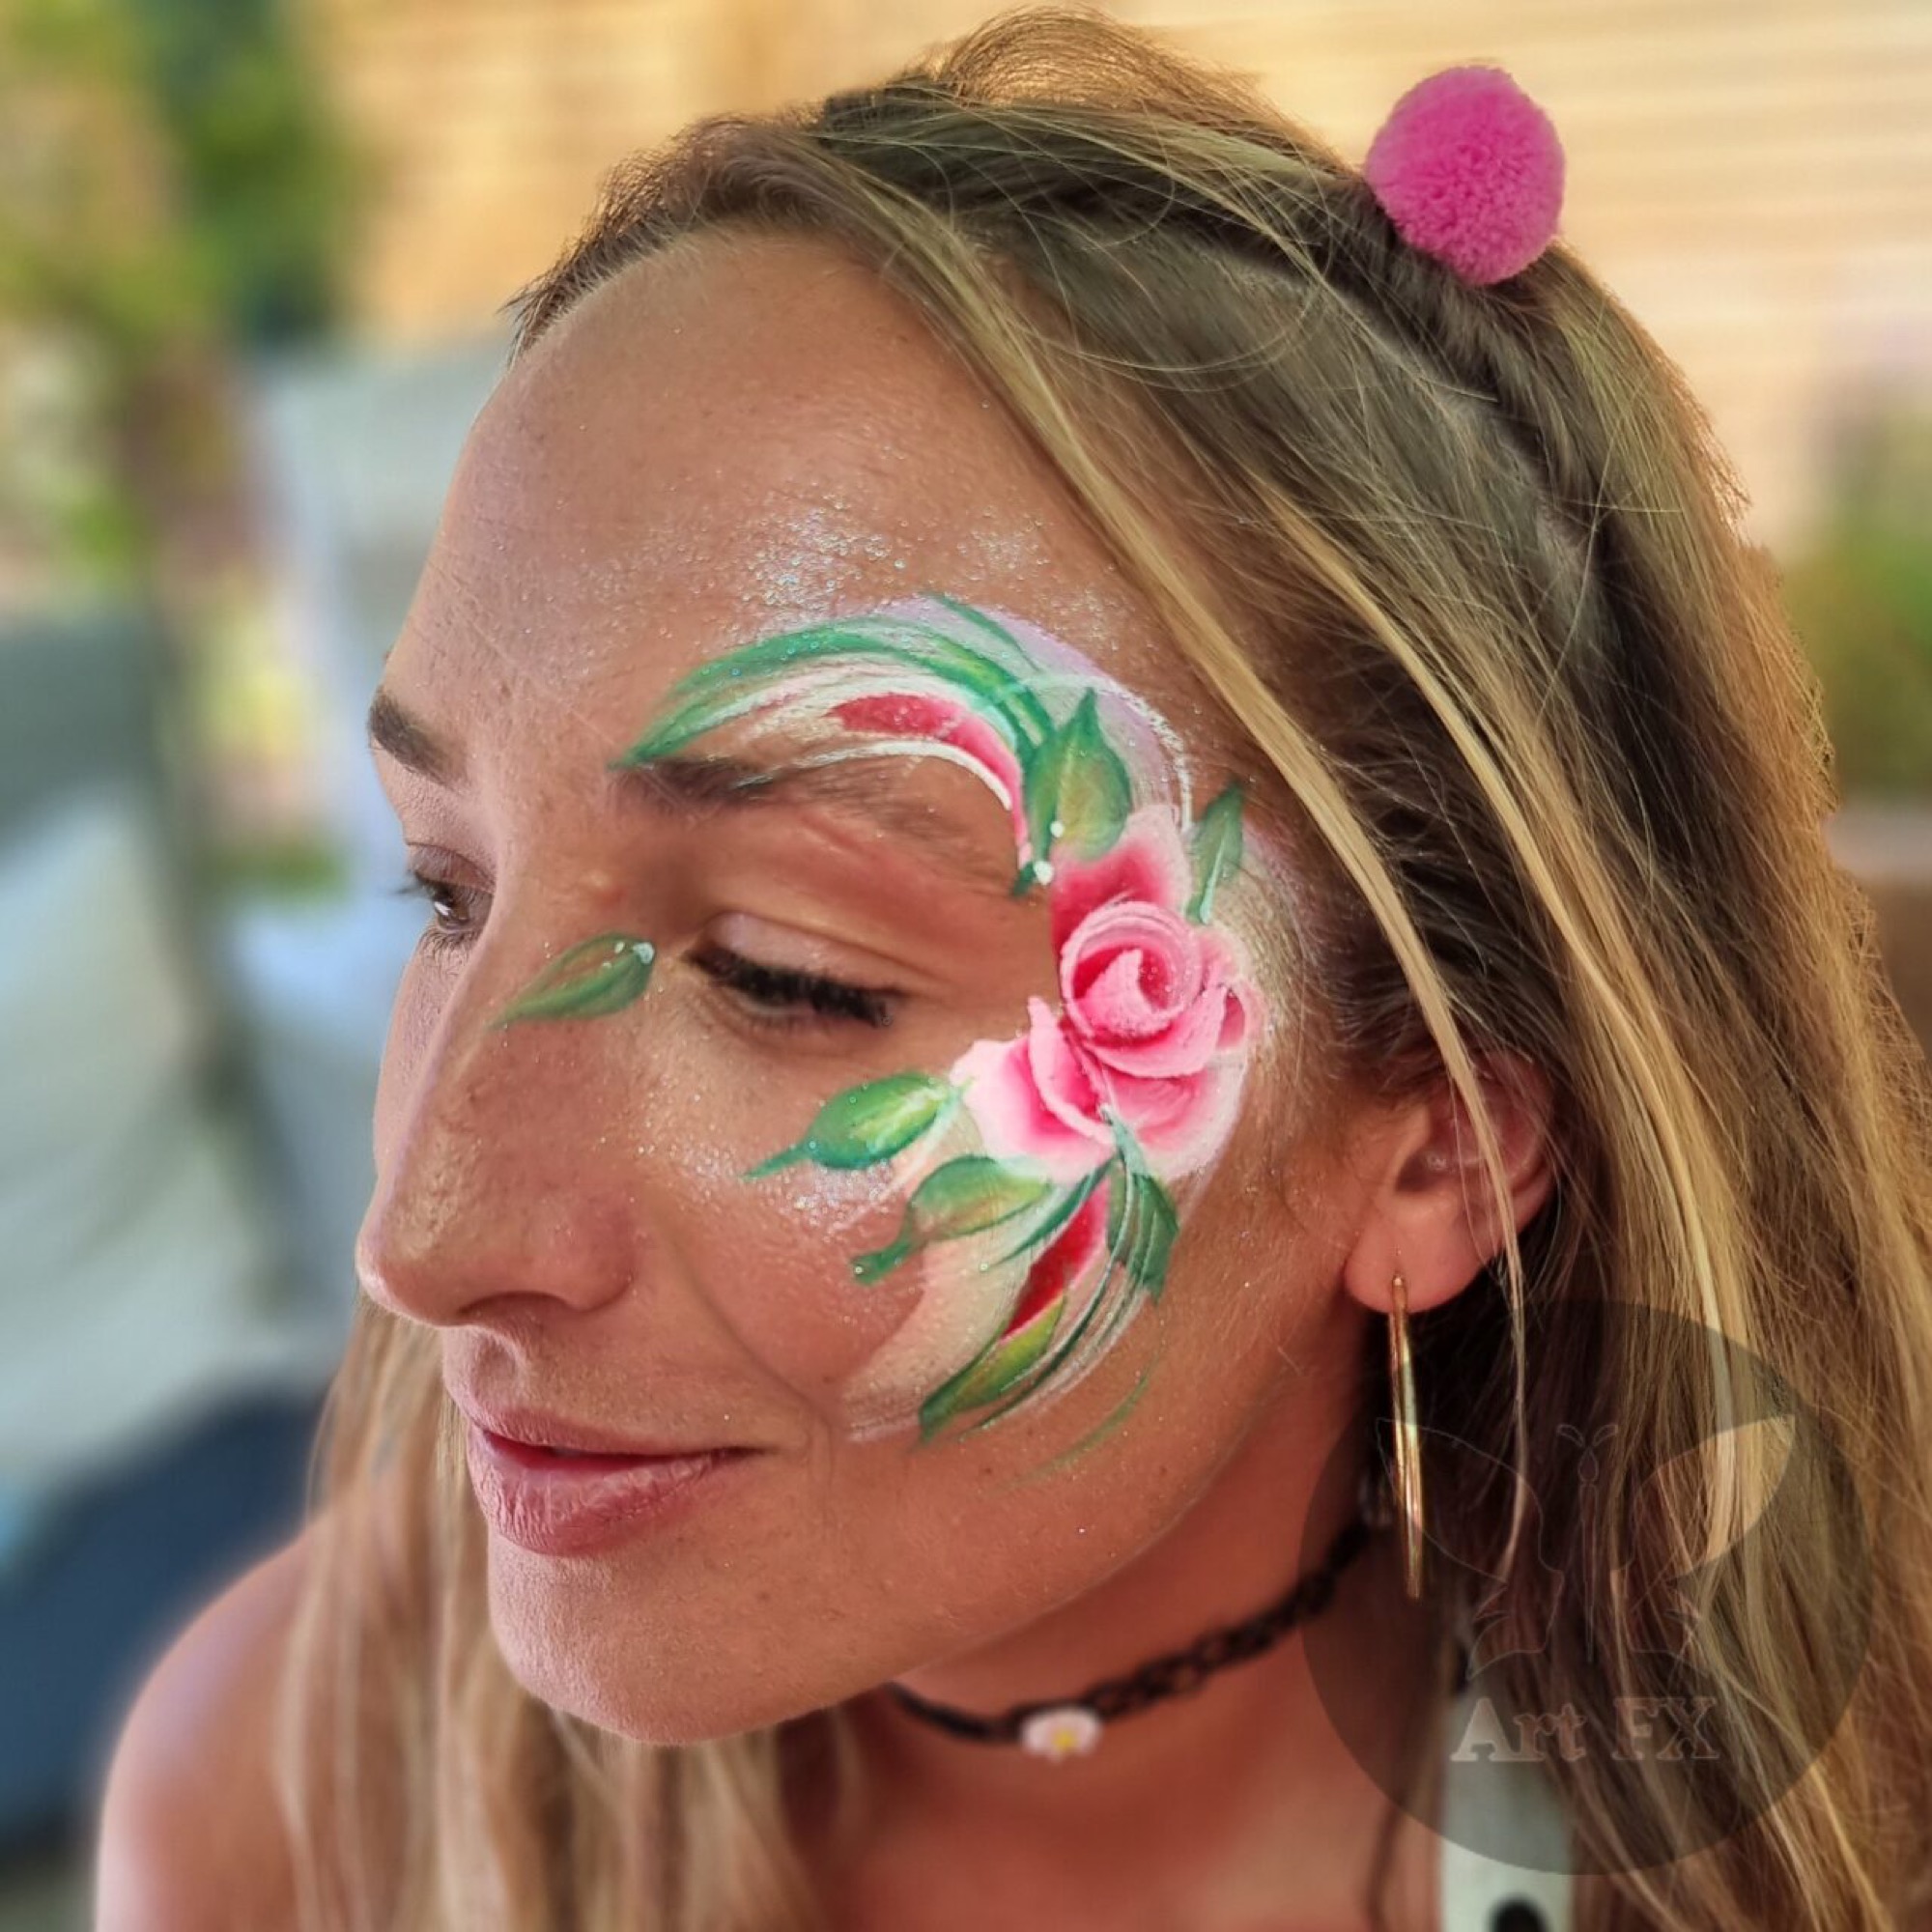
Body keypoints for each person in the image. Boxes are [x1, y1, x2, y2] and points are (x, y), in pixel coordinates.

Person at [96, 8, 1932, 1929]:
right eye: (443, 888)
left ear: (1439, 1150)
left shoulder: (1792, 1840)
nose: (421, 1234)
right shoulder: (301, 1810)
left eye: (786, 974)